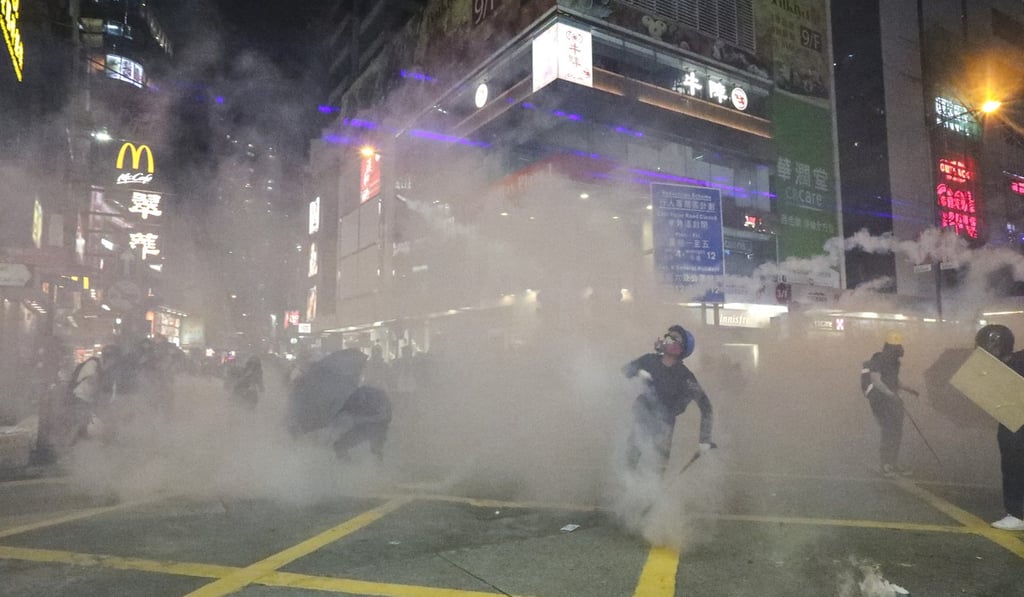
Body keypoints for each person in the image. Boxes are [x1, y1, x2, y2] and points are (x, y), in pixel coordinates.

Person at [622, 324, 714, 475]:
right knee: (630, 460)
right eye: (668, 335)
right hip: (643, 419)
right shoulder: (649, 360)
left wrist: (704, 439)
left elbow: (706, 406)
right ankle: (626, 493)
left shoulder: (685, 376)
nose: (668, 339)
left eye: (674, 338)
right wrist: (638, 371)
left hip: (665, 427)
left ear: (681, 348)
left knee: (659, 468)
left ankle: (655, 496)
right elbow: (625, 370)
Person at [974, 324, 1024, 531]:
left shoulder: (1015, 363)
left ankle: (1018, 514)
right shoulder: (1014, 360)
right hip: (1014, 421)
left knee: (1014, 467)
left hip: (1017, 426)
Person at [863, 331, 919, 478]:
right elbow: (876, 381)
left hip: (892, 400)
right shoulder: (878, 359)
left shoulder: (894, 362)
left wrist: (908, 389)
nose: (900, 349)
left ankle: (892, 463)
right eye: (897, 346)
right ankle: (885, 465)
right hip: (881, 401)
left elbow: (894, 381)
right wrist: (890, 395)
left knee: (896, 432)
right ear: (890, 347)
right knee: (889, 431)